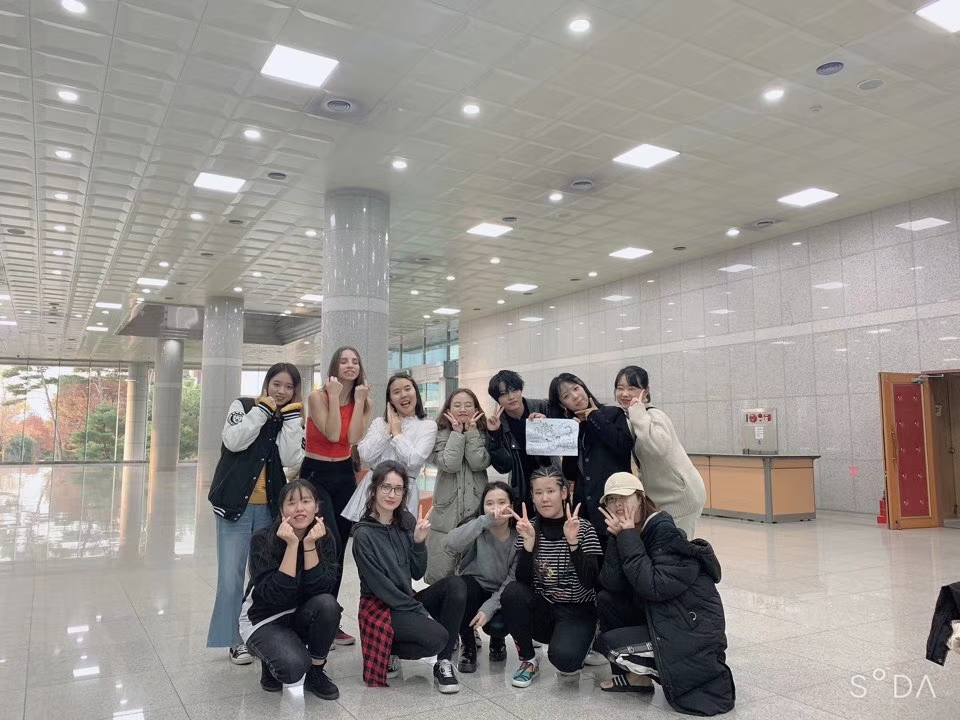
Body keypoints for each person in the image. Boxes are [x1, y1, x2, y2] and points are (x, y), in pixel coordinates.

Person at [596, 472, 735, 716]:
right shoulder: (631, 531)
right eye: (611, 500)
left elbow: (654, 586)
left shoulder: (663, 531)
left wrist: (627, 537)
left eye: (624, 498)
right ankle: (637, 679)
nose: (617, 505)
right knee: (607, 601)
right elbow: (611, 584)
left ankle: (668, 671)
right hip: (663, 615)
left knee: (612, 646)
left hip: (688, 629)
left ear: (640, 498)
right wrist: (618, 539)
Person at [206, 363, 304, 664]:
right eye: (277, 384)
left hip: (269, 509)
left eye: (289, 387)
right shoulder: (244, 406)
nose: (282, 391)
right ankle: (233, 640)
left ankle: (259, 633)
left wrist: (290, 420)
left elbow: (290, 457)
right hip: (235, 506)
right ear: (267, 384)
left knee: (263, 575)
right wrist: (262, 411)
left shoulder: (289, 418)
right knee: (230, 577)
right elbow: (233, 441)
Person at [352, 460, 468, 694]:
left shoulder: (406, 522)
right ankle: (389, 648)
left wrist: (418, 542)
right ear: (374, 489)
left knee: (456, 585)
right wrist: (421, 612)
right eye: (386, 487)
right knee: (437, 638)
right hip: (379, 606)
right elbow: (381, 588)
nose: (392, 494)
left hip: (405, 600)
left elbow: (417, 572)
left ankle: (443, 663)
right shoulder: (363, 534)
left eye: (398, 489)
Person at [499, 468, 603, 688]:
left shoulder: (583, 528)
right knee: (513, 593)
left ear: (563, 493)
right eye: (538, 492)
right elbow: (522, 581)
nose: (544, 498)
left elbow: (591, 582)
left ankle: (587, 638)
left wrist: (573, 544)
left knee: (566, 663)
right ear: (532, 496)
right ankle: (528, 660)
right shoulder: (529, 528)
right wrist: (528, 545)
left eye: (550, 491)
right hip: (544, 608)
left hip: (577, 609)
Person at [240, 480, 341, 700]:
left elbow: (320, 591)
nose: (299, 508)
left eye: (306, 501)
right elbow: (276, 596)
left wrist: (309, 545)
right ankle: (269, 659)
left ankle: (316, 672)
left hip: (298, 613)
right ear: (281, 510)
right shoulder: (262, 540)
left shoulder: (324, 537)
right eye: (291, 503)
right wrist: (292, 545)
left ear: (316, 507)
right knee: (293, 668)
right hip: (264, 618)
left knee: (327, 604)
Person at [301, 346, 373, 645]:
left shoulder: (364, 401)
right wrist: (333, 396)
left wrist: (359, 401)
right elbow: (332, 434)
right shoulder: (317, 397)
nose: (350, 366)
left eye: (355, 361)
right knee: (325, 543)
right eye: (343, 361)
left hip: (344, 475)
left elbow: (352, 438)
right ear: (334, 367)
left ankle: (329, 619)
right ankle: (311, 616)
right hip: (315, 474)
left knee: (340, 547)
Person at [614, 366, 706, 539]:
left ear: (645, 391)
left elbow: (659, 448)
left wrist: (638, 412)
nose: (625, 393)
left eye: (632, 388)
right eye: (620, 388)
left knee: (678, 549)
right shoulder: (634, 419)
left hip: (680, 498)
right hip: (663, 498)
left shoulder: (654, 415)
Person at [548, 372, 633, 544]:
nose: (575, 396)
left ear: (583, 387)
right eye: (566, 396)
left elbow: (623, 447)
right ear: (563, 404)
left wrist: (594, 416)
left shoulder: (612, 414)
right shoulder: (572, 428)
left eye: (576, 388)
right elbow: (570, 473)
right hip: (585, 511)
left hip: (615, 506)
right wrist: (567, 435)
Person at [343, 373, 438, 522]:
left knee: (399, 534)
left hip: (403, 492)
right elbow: (365, 454)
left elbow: (415, 460)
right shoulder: (379, 423)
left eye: (408, 389)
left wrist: (397, 435)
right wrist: (387, 432)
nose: (403, 395)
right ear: (390, 400)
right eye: (396, 392)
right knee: (366, 532)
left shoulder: (428, 426)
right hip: (373, 488)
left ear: (416, 392)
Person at [445, 481, 517, 672]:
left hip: (501, 592)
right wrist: (484, 520)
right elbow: (452, 542)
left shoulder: (518, 536)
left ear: (511, 506)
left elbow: (513, 579)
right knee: (460, 591)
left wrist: (489, 607)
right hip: (475, 586)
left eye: (502, 502)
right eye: (489, 503)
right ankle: (468, 645)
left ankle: (497, 640)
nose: (496, 509)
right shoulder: (478, 527)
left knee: (498, 625)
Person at [425, 388, 492, 583]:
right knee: (442, 574)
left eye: (468, 405)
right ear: (448, 409)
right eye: (457, 405)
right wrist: (456, 434)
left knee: (473, 575)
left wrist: (471, 433)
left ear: (476, 409)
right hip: (446, 513)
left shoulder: (484, 434)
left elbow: (478, 462)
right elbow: (450, 464)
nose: (463, 409)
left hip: (475, 506)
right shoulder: (439, 434)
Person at [485, 370, 556, 508]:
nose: (511, 397)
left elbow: (563, 442)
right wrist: (495, 434)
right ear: (497, 399)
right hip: (523, 489)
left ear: (520, 389)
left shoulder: (542, 407)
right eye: (503, 394)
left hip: (551, 480)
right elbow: (504, 467)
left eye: (514, 390)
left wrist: (547, 426)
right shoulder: (498, 423)